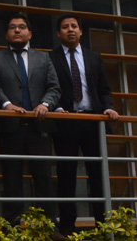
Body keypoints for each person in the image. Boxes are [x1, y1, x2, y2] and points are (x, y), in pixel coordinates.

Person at [49, 14, 120, 238]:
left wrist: (108, 108)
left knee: (98, 176)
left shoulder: (93, 57)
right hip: (66, 121)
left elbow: (104, 89)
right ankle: (67, 227)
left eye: (74, 26)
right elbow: (49, 88)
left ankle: (103, 226)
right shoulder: (50, 58)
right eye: (65, 27)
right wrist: (56, 109)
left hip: (93, 121)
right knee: (66, 176)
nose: (70, 30)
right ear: (58, 33)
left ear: (81, 31)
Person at [0, 13, 60, 224]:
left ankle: (48, 224)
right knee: (11, 178)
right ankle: (12, 224)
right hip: (10, 126)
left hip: (39, 126)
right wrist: (6, 105)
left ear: (30, 33)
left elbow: (54, 87)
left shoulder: (44, 58)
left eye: (21, 27)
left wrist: (45, 104)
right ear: (6, 34)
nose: (17, 30)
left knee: (43, 177)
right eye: (12, 27)